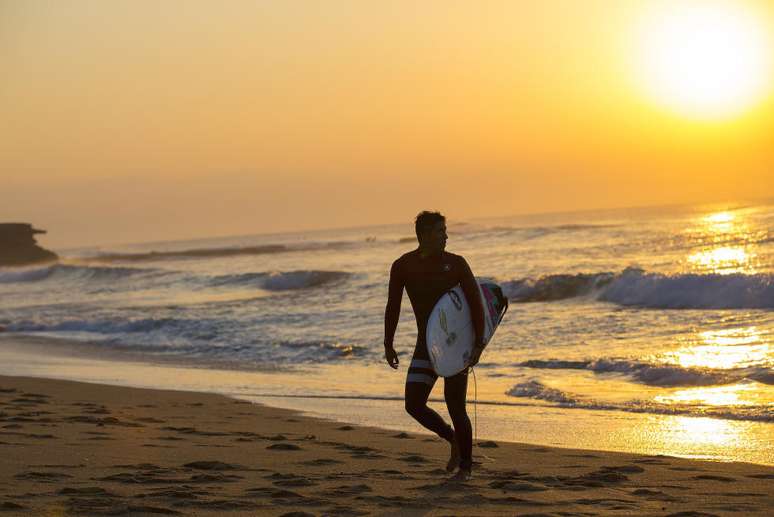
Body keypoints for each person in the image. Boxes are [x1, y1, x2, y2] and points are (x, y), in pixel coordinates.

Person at [384, 211, 485, 481]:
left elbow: (476, 303)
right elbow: (393, 305)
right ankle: (452, 438)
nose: (446, 236)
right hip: (425, 345)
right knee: (414, 404)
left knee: (456, 406)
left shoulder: (457, 264)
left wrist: (478, 344)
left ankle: (466, 466)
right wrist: (388, 342)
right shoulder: (403, 266)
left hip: (456, 346)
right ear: (425, 235)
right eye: (441, 231)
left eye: (445, 230)